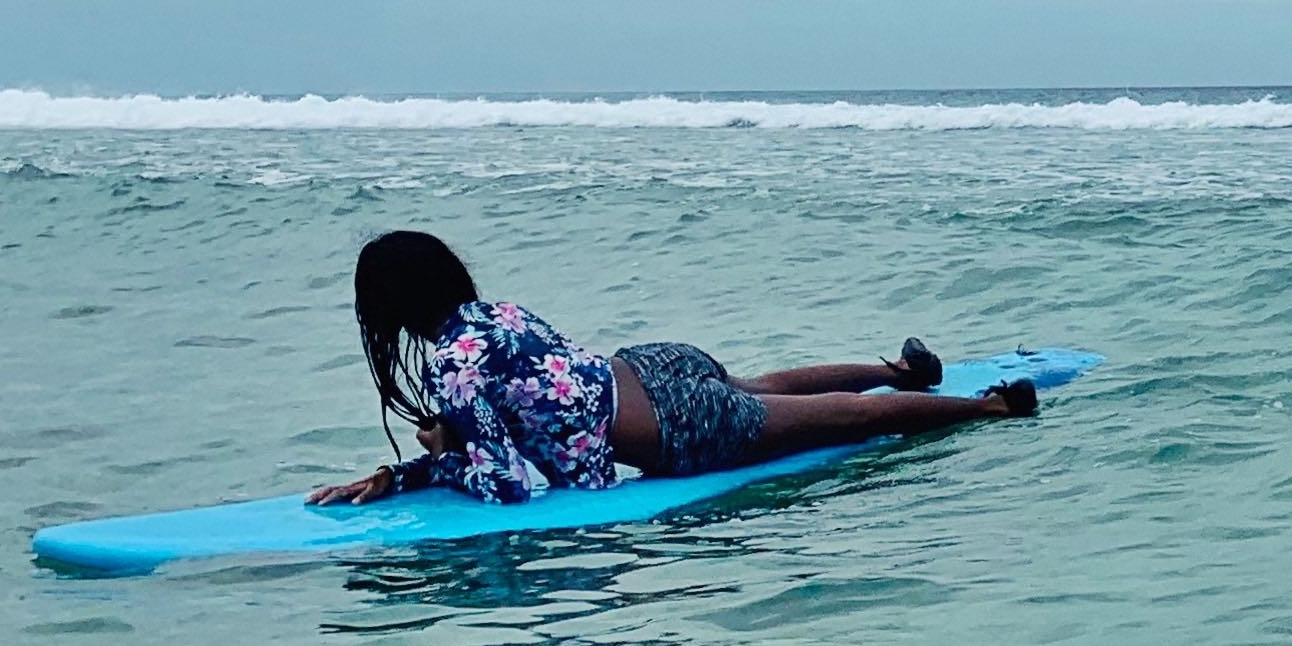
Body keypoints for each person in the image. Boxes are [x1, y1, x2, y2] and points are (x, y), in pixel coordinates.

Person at [304, 228, 1036, 506]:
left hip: (676, 426)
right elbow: (537, 412)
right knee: (767, 387)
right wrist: (403, 471)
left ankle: (991, 407)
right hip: (653, 365)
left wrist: (437, 461)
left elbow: (506, 486)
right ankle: (904, 372)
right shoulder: (498, 315)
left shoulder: (452, 367)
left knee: (845, 421)